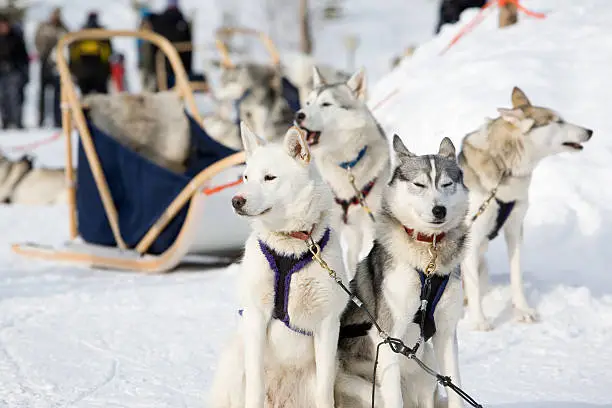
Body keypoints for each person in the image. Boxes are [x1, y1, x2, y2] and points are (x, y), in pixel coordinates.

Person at [35, 7, 68, 127]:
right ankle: (41, 119)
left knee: (58, 94)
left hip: (57, 65)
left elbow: (66, 43)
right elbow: (37, 41)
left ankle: (58, 120)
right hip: (45, 63)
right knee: (43, 93)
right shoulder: (43, 27)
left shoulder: (63, 28)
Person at [150, 0, 192, 89]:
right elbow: (188, 50)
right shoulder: (182, 22)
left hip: (161, 67)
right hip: (177, 69)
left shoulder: (157, 21)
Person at [68, 11, 113, 96]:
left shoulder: (81, 33)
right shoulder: (102, 34)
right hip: (100, 73)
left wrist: (73, 70)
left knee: (85, 99)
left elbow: (73, 54)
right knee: (102, 98)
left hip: (83, 73)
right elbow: (109, 53)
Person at [0, 14, 29, 129]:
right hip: (1, 72)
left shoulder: (16, 37)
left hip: (14, 72)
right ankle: (6, 121)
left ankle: (17, 122)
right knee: (2, 98)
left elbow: (23, 56)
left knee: (15, 97)